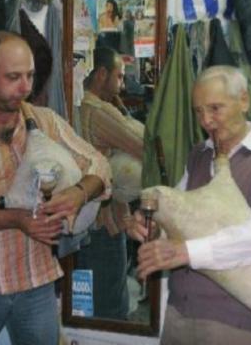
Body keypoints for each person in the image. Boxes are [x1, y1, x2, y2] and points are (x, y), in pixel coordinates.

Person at [0, 31, 111, 345]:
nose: (25, 87)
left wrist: (79, 193)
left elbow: (100, 165)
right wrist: (17, 219)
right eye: (13, 77)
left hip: (36, 281)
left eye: (30, 75)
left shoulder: (45, 121)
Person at [127, 66, 251, 344]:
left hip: (235, 325)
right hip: (180, 314)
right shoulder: (199, 156)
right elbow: (179, 218)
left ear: (244, 101)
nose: (206, 120)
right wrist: (153, 229)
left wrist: (187, 252)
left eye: (215, 108)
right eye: (199, 111)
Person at [77, 47, 144, 319]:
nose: (122, 84)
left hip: (86, 221)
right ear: (101, 74)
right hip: (104, 223)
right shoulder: (98, 110)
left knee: (87, 302)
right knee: (109, 307)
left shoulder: (79, 104)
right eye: (119, 76)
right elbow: (144, 145)